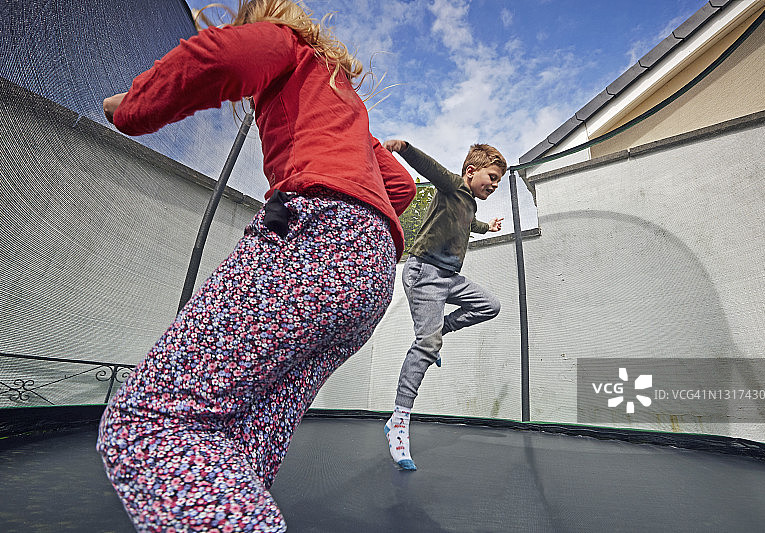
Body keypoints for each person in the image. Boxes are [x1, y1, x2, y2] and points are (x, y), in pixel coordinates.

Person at [96, 1, 416, 531]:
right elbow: (400, 188)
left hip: (316, 240)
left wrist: (130, 106)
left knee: (151, 423)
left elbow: (217, 58)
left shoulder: (282, 43)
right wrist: (360, 207)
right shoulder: (345, 102)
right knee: (244, 438)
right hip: (372, 268)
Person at [382, 139, 506, 470]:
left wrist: (488, 227)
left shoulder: (471, 205)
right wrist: (405, 148)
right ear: (471, 171)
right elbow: (431, 168)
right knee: (426, 343)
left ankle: (439, 333)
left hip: (449, 277)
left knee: (490, 305)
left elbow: (471, 225)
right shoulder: (452, 186)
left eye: (498, 182)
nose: (494, 186)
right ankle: (398, 419)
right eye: (492, 178)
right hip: (424, 272)